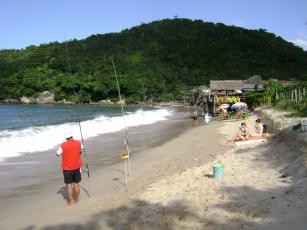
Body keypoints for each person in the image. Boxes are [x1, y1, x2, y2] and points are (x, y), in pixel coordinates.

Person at [56, 132, 84, 205]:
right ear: (72, 136)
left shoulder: (63, 145)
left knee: (69, 185)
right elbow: (82, 148)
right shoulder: (78, 143)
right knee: (77, 184)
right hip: (77, 166)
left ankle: (71, 202)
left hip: (67, 168)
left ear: (66, 138)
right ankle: (77, 200)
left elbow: (57, 153)